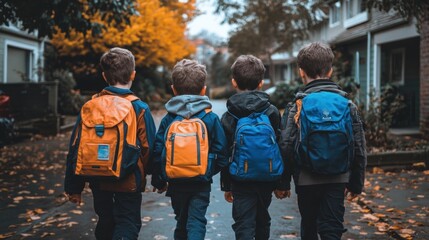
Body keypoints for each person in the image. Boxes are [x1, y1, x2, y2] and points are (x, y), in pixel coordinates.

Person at [64, 47, 156, 240]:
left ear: (104, 76)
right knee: (128, 223)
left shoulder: (91, 106)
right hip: (129, 180)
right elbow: (148, 147)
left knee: (105, 220)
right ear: (133, 74)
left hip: (98, 179)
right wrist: (154, 176)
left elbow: (76, 147)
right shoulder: (139, 107)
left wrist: (74, 187)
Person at [280, 42, 367, 240]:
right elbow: (359, 146)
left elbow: (286, 144)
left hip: (305, 178)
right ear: (331, 71)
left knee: (309, 224)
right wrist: (356, 183)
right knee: (332, 228)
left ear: (301, 72)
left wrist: (283, 182)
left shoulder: (297, 105)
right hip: (338, 178)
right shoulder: (347, 104)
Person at [151, 59, 228, 240]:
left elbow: (158, 150)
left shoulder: (169, 119)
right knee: (196, 220)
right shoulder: (210, 118)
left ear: (173, 89)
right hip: (201, 182)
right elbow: (222, 153)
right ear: (203, 89)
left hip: (175, 182)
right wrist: (207, 170)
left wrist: (159, 179)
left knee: (181, 219)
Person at [220, 55, 290, 240]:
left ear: (234, 82)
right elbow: (281, 146)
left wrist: (227, 185)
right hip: (267, 176)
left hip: (240, 179)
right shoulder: (272, 111)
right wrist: (282, 182)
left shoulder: (229, 115)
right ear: (261, 83)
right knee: (262, 217)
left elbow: (226, 152)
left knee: (243, 222)